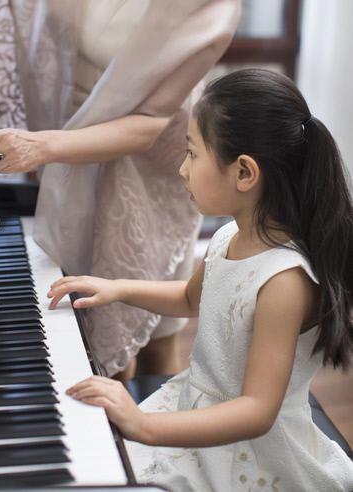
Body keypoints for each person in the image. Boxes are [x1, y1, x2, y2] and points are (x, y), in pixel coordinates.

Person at [46, 68, 353, 491]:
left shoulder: (284, 281)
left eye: (192, 153)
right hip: (194, 401)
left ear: (245, 173)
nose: (182, 169)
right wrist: (117, 288)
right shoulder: (230, 235)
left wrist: (145, 426)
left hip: (249, 453)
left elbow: (257, 411)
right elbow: (192, 299)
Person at [0, 0, 241, 379]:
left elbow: (147, 123)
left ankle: (136, 431)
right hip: (66, 134)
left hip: (147, 168)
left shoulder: (209, 6)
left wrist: (42, 147)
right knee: (84, 312)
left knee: (150, 336)